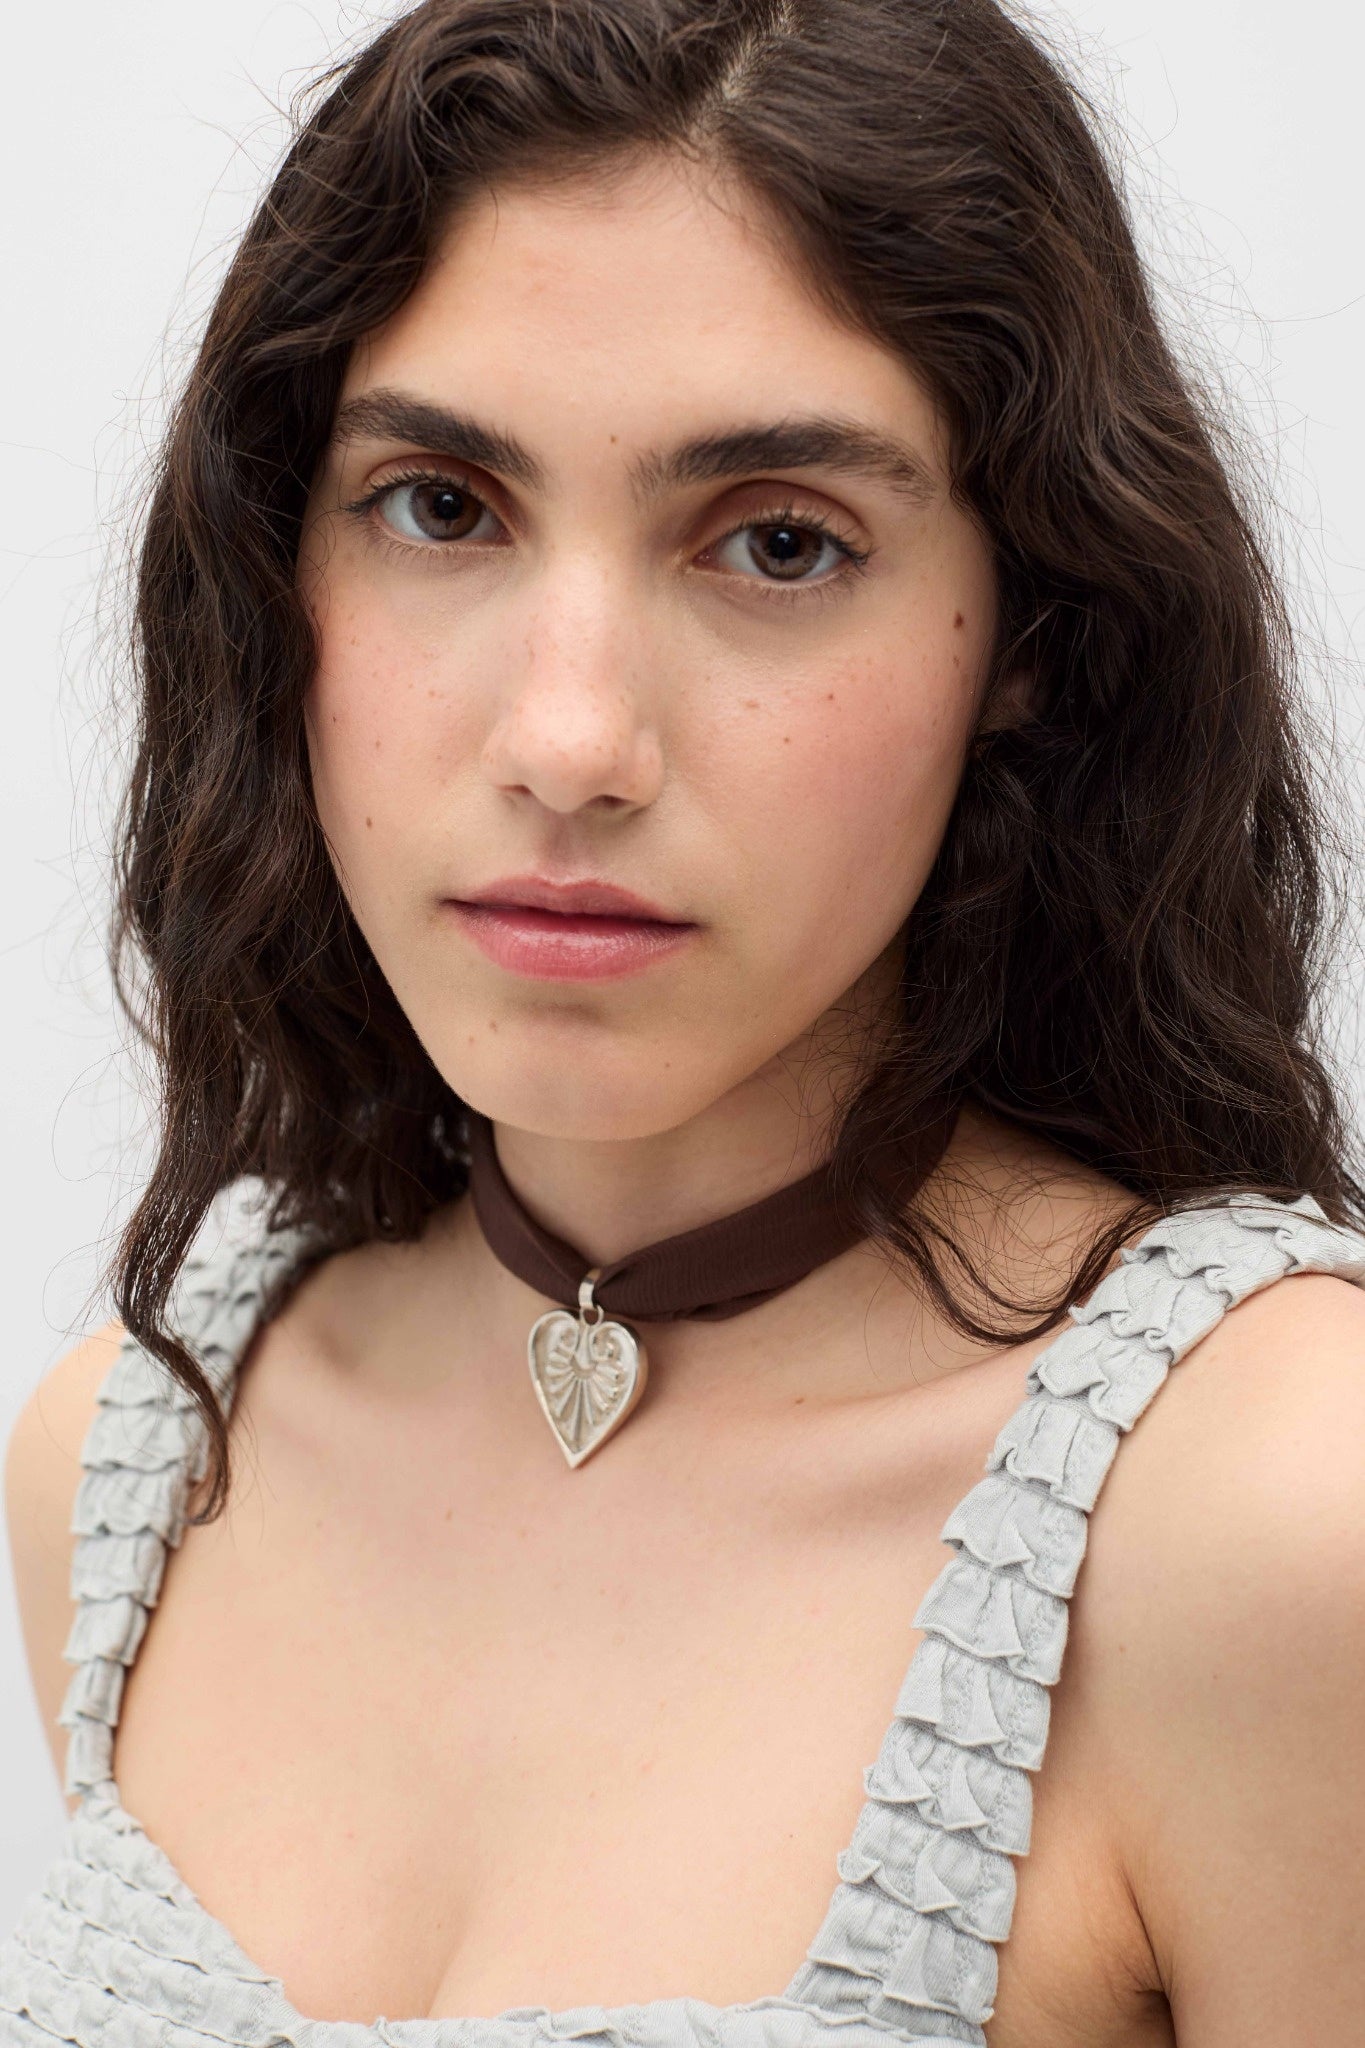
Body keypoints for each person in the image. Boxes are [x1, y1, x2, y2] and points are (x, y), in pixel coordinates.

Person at [3, 0, 1363, 2042]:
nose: (569, 740)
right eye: (441, 506)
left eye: (777, 544)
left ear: (1034, 636)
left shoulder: (1267, 1517)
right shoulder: (136, 1447)